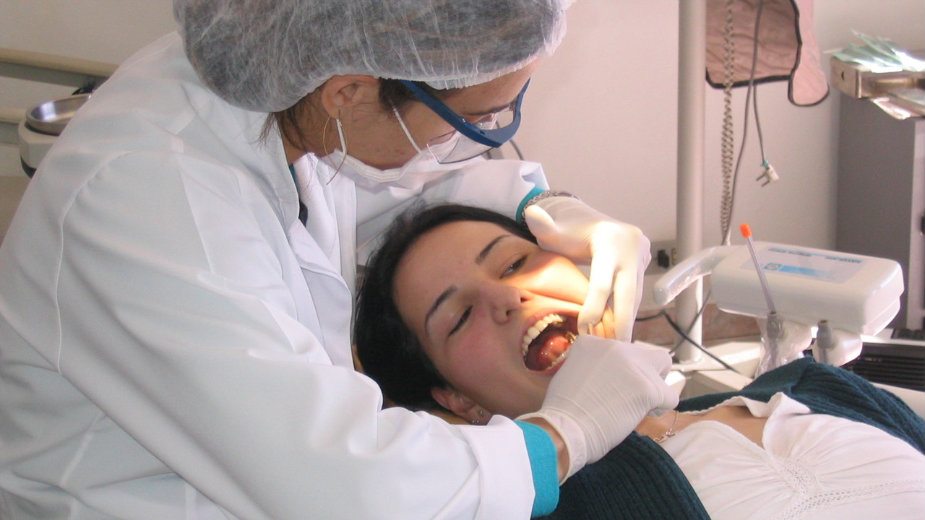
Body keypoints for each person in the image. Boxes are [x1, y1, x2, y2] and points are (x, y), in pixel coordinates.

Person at [0, 1, 680, 518]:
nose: (464, 145)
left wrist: (545, 207)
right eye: (470, 121)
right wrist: (567, 433)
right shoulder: (150, 202)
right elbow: (348, 485)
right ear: (348, 93)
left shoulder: (291, 76)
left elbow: (406, 185)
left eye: (511, 263)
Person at [355, 203, 925, 520]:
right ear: (458, 401)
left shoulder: (811, 385)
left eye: (512, 263)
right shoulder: (549, 506)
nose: (506, 298)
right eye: (459, 317)